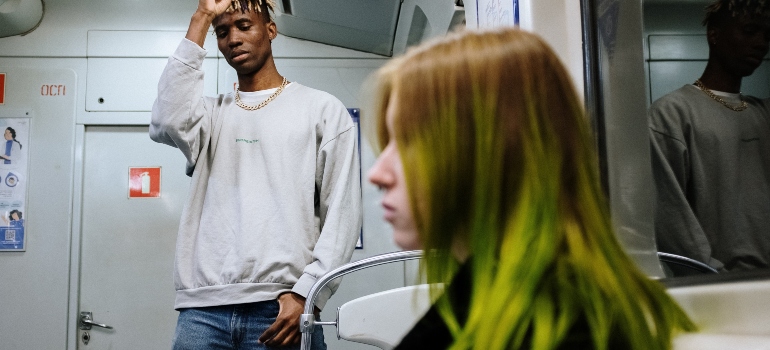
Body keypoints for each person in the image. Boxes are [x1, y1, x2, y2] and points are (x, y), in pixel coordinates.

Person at [367, 28, 695, 349]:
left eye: (408, 142)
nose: (377, 174)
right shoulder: (491, 293)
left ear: (492, 153)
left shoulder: (567, 331)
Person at [149, 0, 362, 349]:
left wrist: (308, 294)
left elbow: (342, 213)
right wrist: (201, 17)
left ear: (271, 30)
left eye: (244, 26)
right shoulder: (209, 114)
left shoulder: (321, 110)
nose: (232, 38)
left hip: (282, 309)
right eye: (222, 32)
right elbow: (166, 119)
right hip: (203, 313)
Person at [649, 0, 770, 272]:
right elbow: (672, 223)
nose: (762, 43)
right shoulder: (672, 115)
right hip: (720, 286)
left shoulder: (762, 114)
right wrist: (717, 280)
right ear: (714, 34)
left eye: (767, 35)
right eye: (750, 31)